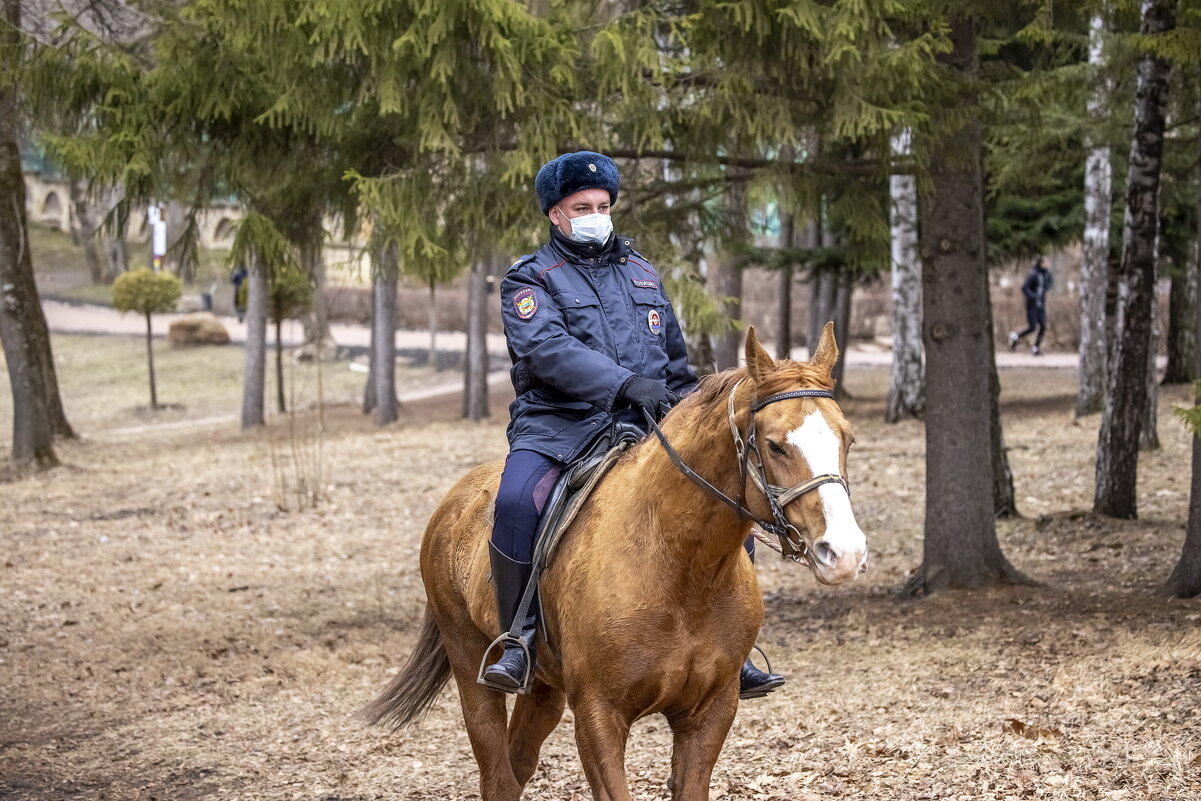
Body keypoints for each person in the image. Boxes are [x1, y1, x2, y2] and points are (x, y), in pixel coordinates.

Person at [485, 150, 784, 699]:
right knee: (515, 502)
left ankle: (731, 648)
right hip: (558, 427)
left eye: (603, 204)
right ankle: (518, 639)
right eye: (583, 206)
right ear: (557, 215)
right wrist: (622, 385)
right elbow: (547, 350)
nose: (596, 213)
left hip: (648, 425)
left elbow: (673, 362)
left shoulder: (642, 273)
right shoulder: (529, 280)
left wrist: (693, 408)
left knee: (724, 495)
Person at [1009, 255, 1053, 355]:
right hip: (1032, 305)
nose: (1048, 264)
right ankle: (1015, 336)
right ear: (1040, 263)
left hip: (1041, 305)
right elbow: (1025, 288)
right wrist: (1033, 296)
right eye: (1045, 262)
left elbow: (1048, 285)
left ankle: (1036, 348)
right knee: (1032, 327)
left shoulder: (1047, 275)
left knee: (1043, 326)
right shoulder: (1033, 274)